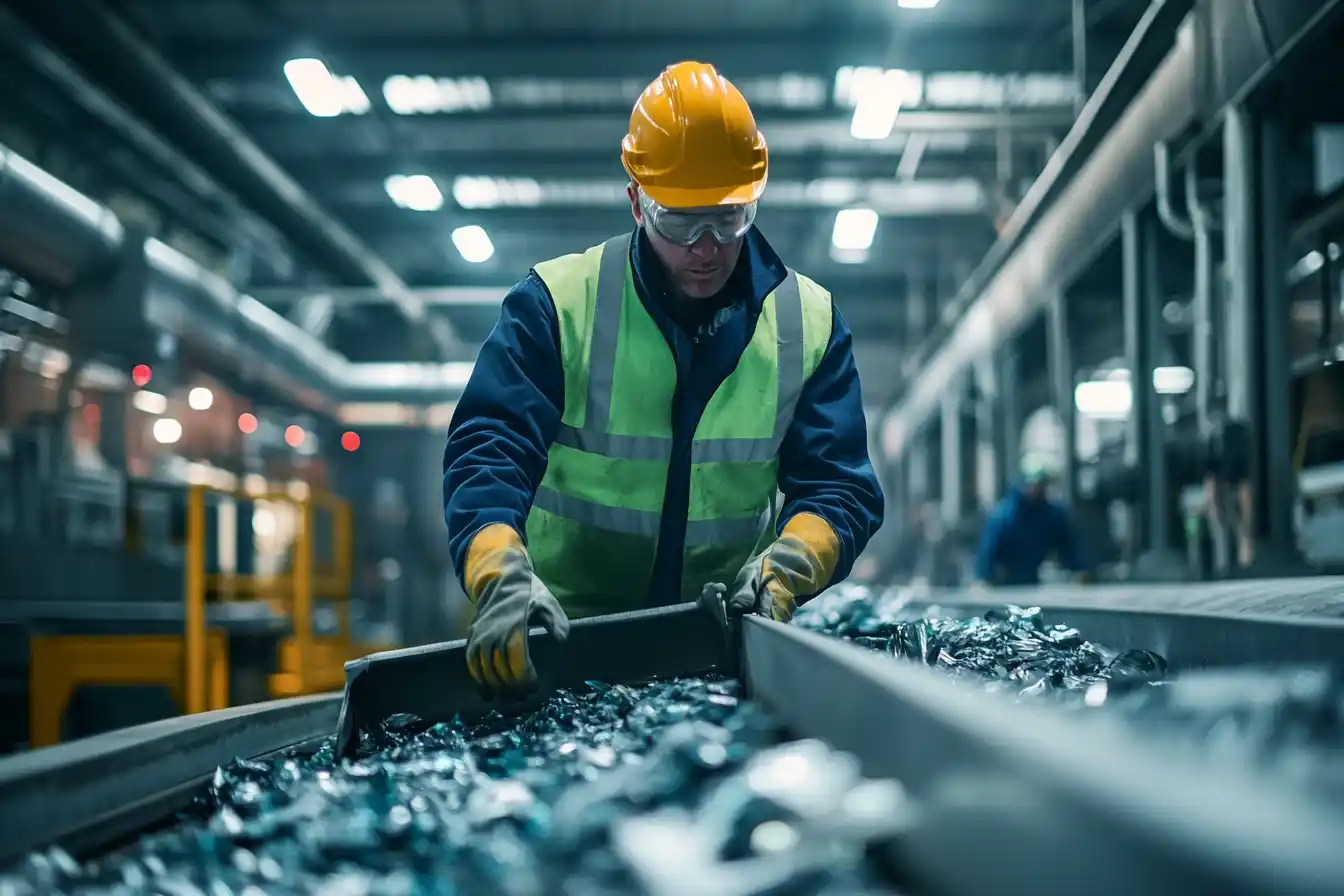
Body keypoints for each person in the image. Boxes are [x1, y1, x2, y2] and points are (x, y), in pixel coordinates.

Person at [442, 61, 885, 694]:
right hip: (559, 643)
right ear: (635, 201)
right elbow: (491, 443)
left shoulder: (807, 323)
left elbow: (839, 484)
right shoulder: (558, 305)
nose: (706, 247)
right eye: (679, 221)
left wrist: (789, 570)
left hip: (720, 644)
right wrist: (494, 566)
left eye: (729, 219)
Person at [973, 453, 1088, 587]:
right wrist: (983, 578)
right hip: (1004, 582)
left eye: (1044, 485)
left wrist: (1078, 570)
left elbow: (1067, 545)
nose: (1040, 489)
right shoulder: (1005, 516)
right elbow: (988, 550)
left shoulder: (1051, 515)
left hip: (1032, 580)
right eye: (1038, 483)